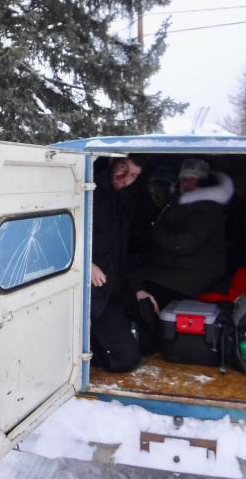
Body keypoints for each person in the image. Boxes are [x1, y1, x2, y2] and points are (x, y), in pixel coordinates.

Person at [134, 158, 233, 353]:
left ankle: (153, 341)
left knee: (142, 289)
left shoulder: (206, 207)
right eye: (184, 179)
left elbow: (184, 244)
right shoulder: (182, 202)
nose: (187, 183)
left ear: (203, 182)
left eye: (193, 179)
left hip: (195, 274)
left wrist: (155, 229)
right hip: (177, 267)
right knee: (134, 274)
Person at [90, 155, 144, 373]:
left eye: (133, 175)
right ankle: (89, 351)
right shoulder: (88, 191)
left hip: (113, 289)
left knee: (149, 339)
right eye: (123, 168)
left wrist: (138, 289)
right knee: (126, 360)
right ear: (112, 163)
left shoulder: (122, 201)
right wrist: (87, 264)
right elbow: (61, 235)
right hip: (93, 293)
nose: (125, 178)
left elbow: (122, 253)